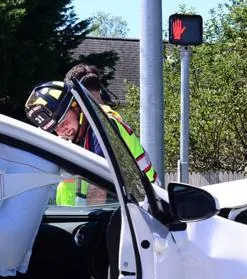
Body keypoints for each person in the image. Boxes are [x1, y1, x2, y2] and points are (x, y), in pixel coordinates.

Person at [23, 79, 156, 206]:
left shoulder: (99, 126)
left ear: (76, 107)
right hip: (83, 214)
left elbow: (98, 188)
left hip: (142, 205)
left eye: (64, 122)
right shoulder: (79, 135)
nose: (63, 131)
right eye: (55, 129)